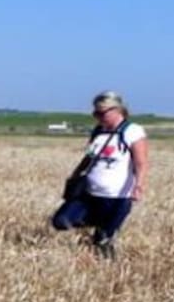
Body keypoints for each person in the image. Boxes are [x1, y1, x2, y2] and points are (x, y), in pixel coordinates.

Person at [52, 91, 150, 259]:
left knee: (103, 240)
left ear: (117, 110)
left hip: (117, 196)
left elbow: (141, 162)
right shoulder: (98, 131)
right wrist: (75, 175)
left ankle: (108, 262)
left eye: (101, 112)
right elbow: (89, 157)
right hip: (89, 193)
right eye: (95, 113)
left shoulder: (132, 131)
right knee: (61, 221)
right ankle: (98, 225)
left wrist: (139, 185)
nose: (97, 116)